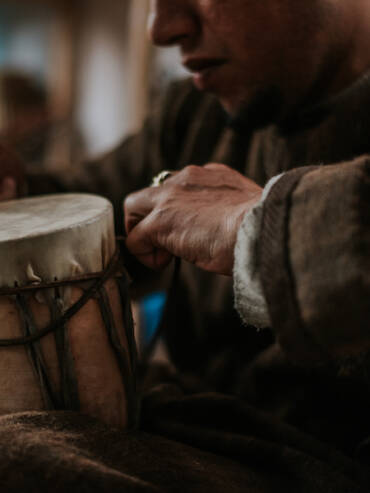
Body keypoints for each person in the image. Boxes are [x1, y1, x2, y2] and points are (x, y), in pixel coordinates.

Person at [1, 2, 370, 490]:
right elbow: (93, 201)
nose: (160, 28)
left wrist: (257, 225)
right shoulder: (195, 113)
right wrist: (14, 188)